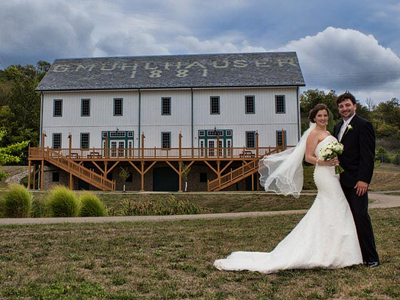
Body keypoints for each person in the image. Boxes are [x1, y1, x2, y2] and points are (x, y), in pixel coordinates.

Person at [214, 104, 363, 273]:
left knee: (333, 208)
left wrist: (334, 160)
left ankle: (338, 251)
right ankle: (332, 252)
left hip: (333, 174)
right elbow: (308, 157)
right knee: (336, 204)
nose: (323, 118)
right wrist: (324, 162)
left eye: (325, 115)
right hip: (323, 174)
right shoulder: (313, 134)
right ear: (314, 118)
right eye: (319, 116)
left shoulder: (329, 133)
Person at [333, 92, 380, 268]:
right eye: (341, 106)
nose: (344, 109)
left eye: (347, 105)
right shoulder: (337, 127)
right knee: (344, 218)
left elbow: (368, 156)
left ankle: (371, 257)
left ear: (355, 106)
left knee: (360, 216)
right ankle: (351, 255)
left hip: (357, 182)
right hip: (340, 180)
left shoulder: (363, 125)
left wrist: (363, 180)